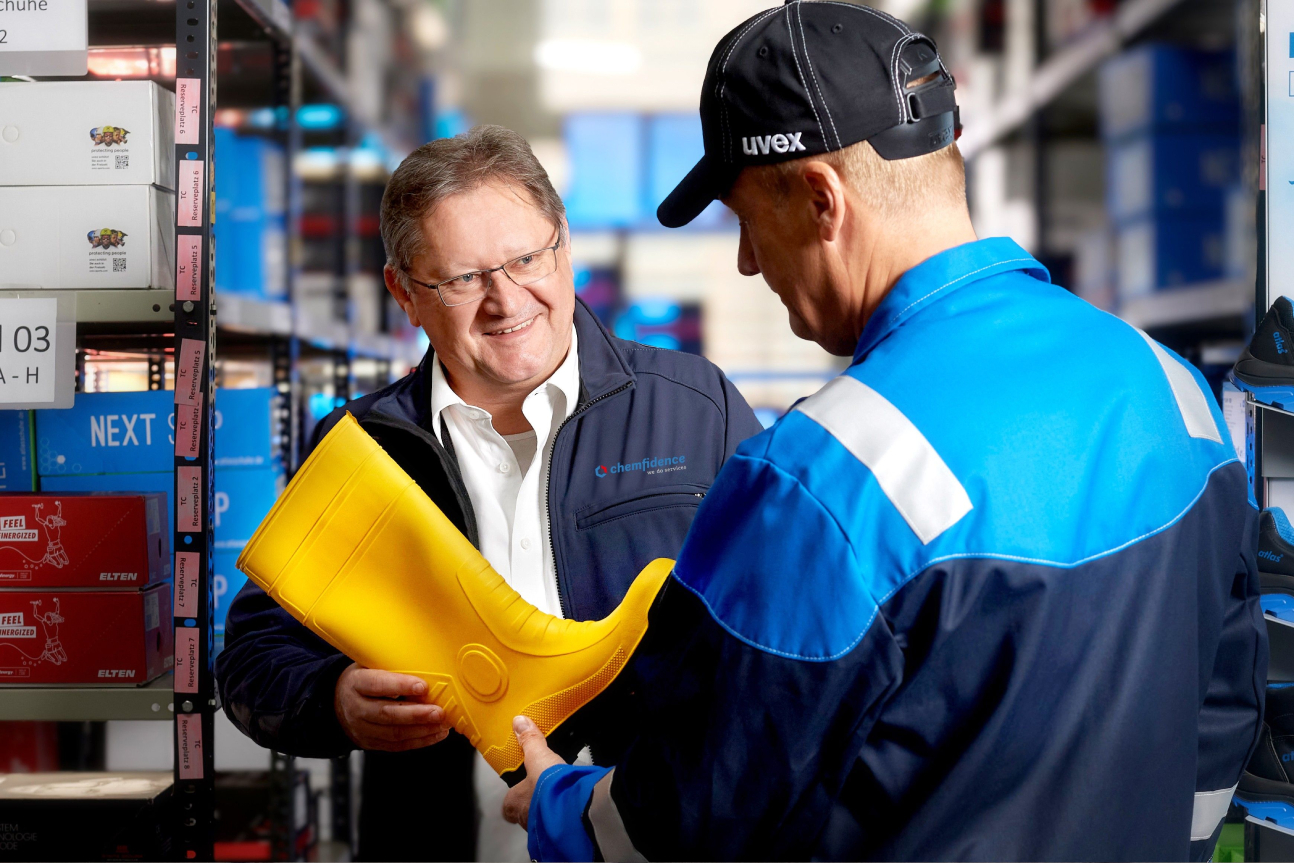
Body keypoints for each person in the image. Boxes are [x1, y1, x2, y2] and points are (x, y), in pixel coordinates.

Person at [502, 2, 1267, 860]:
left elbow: (681, 823)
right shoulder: (1175, 390)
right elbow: (1225, 709)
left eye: (747, 219)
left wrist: (557, 803)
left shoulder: (817, 482)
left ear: (821, 200)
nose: (750, 261)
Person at [214, 124, 762, 862]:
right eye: (464, 278)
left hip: (650, 839)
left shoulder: (697, 407)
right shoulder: (362, 447)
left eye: (527, 258)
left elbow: (778, 637)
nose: (507, 301)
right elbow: (251, 657)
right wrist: (333, 699)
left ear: (564, 243)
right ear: (404, 292)